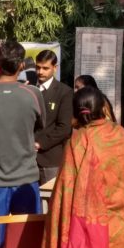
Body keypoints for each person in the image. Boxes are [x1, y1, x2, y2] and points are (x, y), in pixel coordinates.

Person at [38, 86, 124, 248]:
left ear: (75, 113)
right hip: (122, 221)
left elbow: (66, 188)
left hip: (89, 224)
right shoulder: (122, 135)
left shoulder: (78, 140)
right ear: (104, 108)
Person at [0, 40, 45, 248]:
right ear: (21, 65)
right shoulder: (33, 93)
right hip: (26, 179)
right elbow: (40, 125)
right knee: (28, 243)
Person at [34, 50, 73, 185]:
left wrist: (40, 143)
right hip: (27, 159)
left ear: (55, 68)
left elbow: (64, 128)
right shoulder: (29, 89)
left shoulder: (64, 92)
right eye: (38, 67)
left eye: (45, 68)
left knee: (50, 201)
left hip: (50, 158)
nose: (40, 72)